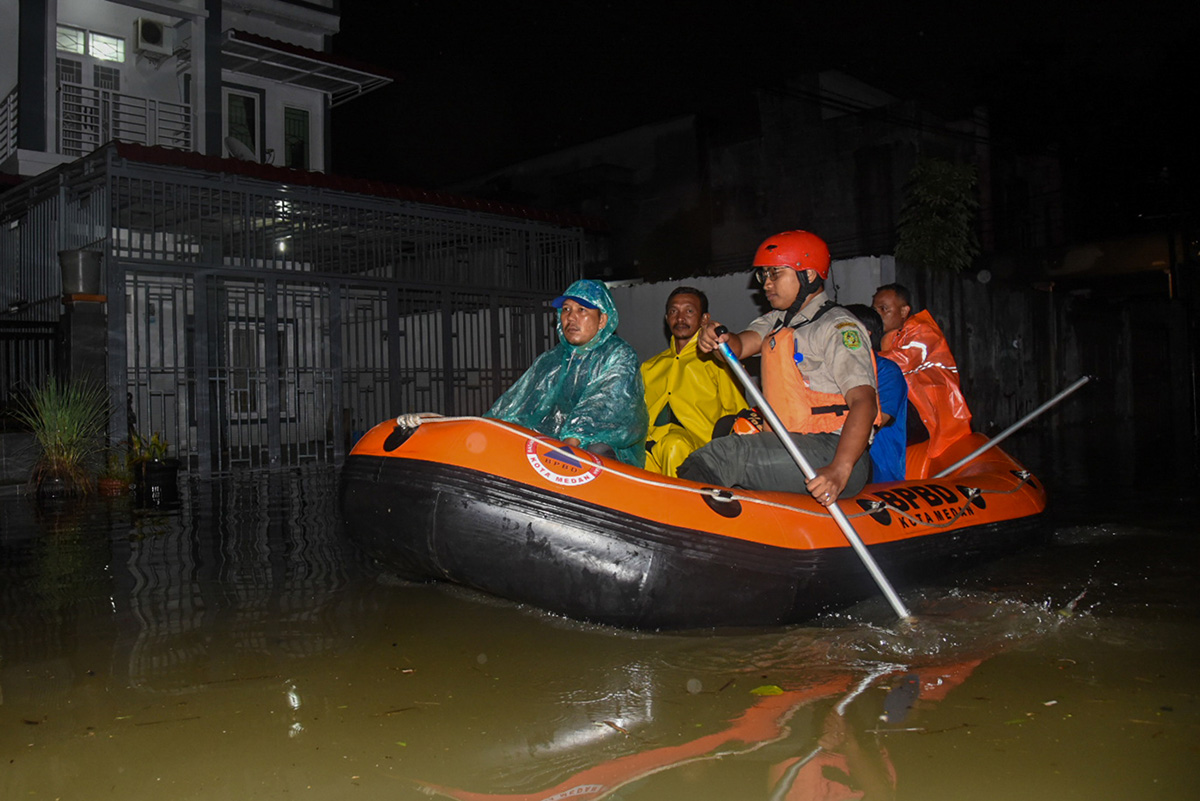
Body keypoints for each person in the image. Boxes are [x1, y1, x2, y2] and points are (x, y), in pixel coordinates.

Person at [677, 231, 879, 506]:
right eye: (764, 275)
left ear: (808, 275)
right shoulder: (778, 321)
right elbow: (739, 345)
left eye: (775, 274)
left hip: (835, 451)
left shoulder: (838, 327)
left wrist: (839, 470)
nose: (766, 284)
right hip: (790, 442)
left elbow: (864, 402)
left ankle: (684, 519)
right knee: (727, 433)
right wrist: (716, 337)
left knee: (723, 456)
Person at [485, 278, 648, 467]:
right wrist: (490, 428)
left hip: (606, 451)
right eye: (566, 309)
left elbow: (606, 404)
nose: (571, 317)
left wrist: (571, 441)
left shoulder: (619, 354)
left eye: (582, 310)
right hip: (560, 446)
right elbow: (521, 403)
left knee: (596, 450)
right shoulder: (552, 359)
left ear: (602, 320)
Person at [640, 287, 749, 477]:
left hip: (699, 450)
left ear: (704, 319)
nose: (680, 318)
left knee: (673, 445)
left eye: (689, 311)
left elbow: (737, 413)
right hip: (651, 445)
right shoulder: (649, 367)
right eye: (673, 311)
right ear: (666, 318)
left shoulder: (719, 362)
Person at [871, 283, 972, 461]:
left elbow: (901, 362)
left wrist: (858, 358)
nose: (877, 315)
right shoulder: (891, 337)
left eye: (884, 309)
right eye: (875, 310)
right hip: (913, 409)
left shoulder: (922, 330)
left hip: (932, 412)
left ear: (904, 311)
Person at [845, 304, 907, 483]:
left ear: (864, 334)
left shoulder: (886, 371)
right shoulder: (832, 370)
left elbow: (875, 423)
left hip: (875, 471)